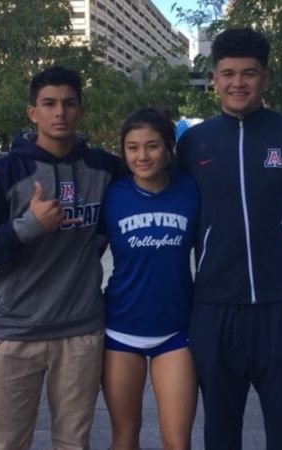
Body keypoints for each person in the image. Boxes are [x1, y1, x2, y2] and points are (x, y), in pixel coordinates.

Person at [0, 66, 123, 450]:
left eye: (69, 103)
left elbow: (153, 174)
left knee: (73, 443)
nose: (59, 112)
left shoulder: (104, 168)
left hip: (81, 332)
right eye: (49, 104)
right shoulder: (7, 171)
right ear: (33, 112)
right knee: (7, 443)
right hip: (16, 333)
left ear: (81, 110)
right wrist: (27, 227)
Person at [176, 27, 282, 450]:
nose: (238, 83)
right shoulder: (193, 142)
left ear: (265, 77)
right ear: (214, 78)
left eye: (248, 73)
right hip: (214, 305)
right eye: (228, 73)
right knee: (220, 428)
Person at [101, 107, 199, 450]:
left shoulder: (190, 190)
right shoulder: (112, 195)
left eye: (152, 146)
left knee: (177, 441)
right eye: (132, 147)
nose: (142, 156)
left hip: (175, 330)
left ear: (169, 149)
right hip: (121, 329)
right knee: (125, 435)